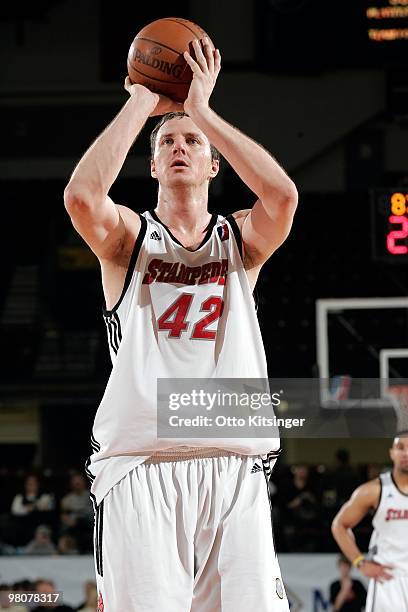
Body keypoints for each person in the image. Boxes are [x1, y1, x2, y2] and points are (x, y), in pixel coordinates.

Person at [64, 36, 298, 611]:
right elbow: (81, 195)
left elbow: (283, 195)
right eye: (168, 142)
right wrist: (144, 101)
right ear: (151, 164)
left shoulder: (239, 241)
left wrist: (203, 113)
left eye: (192, 142)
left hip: (234, 459)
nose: (180, 147)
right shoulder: (128, 240)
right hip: (142, 461)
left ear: (214, 163)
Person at [331, 432, 408, 611]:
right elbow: (339, 525)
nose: (405, 453)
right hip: (389, 579)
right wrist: (359, 562)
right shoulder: (373, 490)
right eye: (400, 447)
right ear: (391, 453)